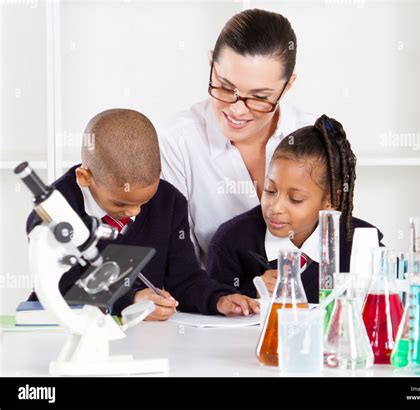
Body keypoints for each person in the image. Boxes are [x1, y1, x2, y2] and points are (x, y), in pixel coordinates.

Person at [25, 109, 259, 319]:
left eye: (145, 201)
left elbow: (185, 278)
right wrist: (131, 300)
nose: (134, 212)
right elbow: (61, 287)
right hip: (57, 329)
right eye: (120, 203)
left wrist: (218, 299)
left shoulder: (169, 201)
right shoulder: (55, 210)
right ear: (85, 178)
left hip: (143, 337)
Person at [159, 9, 316, 263]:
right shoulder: (178, 142)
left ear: (287, 86)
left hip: (302, 299)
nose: (236, 109)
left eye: (259, 97)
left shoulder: (313, 134)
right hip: (211, 299)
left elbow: (334, 244)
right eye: (224, 86)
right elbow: (177, 264)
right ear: (212, 64)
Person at [206, 115, 384, 303]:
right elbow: (212, 308)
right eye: (270, 190)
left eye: (295, 199)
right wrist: (253, 293)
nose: (275, 207)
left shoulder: (362, 244)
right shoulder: (231, 241)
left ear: (332, 200)